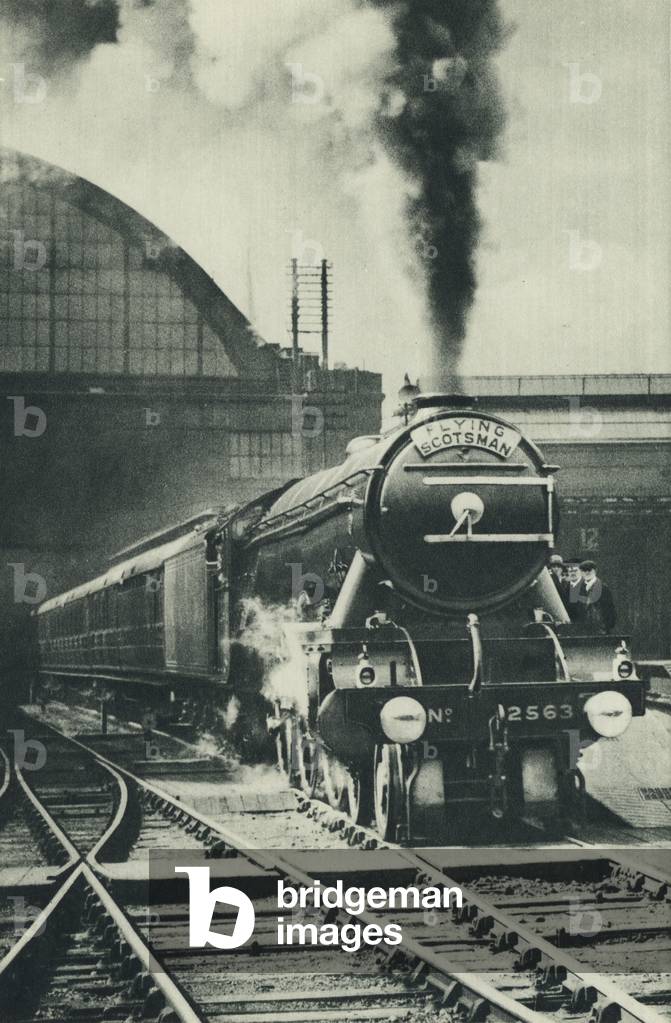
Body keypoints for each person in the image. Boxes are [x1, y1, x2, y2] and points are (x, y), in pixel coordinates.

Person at [578, 560, 617, 634]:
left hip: (601, 629)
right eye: (584, 570)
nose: (587, 572)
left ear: (595, 571)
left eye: (589, 570)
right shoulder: (580, 588)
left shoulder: (603, 587)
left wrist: (606, 627)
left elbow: (609, 609)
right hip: (584, 630)